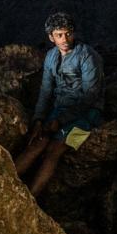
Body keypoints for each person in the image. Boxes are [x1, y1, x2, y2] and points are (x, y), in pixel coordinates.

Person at [14, 12, 104, 196]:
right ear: (51, 37)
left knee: (54, 150)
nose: (65, 39)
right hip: (60, 109)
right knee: (37, 143)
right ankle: (5, 185)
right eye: (59, 35)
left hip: (87, 115)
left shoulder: (87, 56)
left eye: (68, 33)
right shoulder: (51, 57)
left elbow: (91, 96)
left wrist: (61, 120)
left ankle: (31, 198)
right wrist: (39, 119)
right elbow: (46, 91)